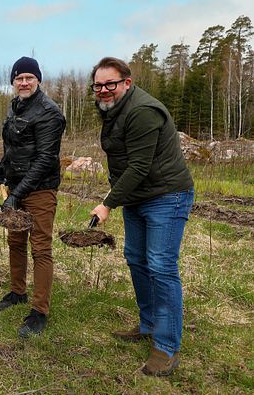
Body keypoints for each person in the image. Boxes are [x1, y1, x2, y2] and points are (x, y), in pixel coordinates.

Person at [89, 57, 194, 376]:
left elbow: (139, 166)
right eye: (98, 85)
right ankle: (149, 323)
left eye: (111, 84)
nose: (104, 90)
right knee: (136, 257)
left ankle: (166, 347)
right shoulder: (114, 109)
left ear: (127, 83)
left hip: (166, 196)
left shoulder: (143, 111)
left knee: (161, 266)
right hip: (138, 197)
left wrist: (107, 203)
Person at [0, 56, 66, 338]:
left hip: (40, 189)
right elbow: (14, 149)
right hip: (16, 186)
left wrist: (16, 194)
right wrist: (0, 171)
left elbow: (45, 158)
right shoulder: (14, 107)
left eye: (29, 78)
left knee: (41, 248)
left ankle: (39, 311)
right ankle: (17, 292)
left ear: (38, 80)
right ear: (13, 82)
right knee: (15, 241)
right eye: (18, 78)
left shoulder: (49, 112)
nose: (23, 82)